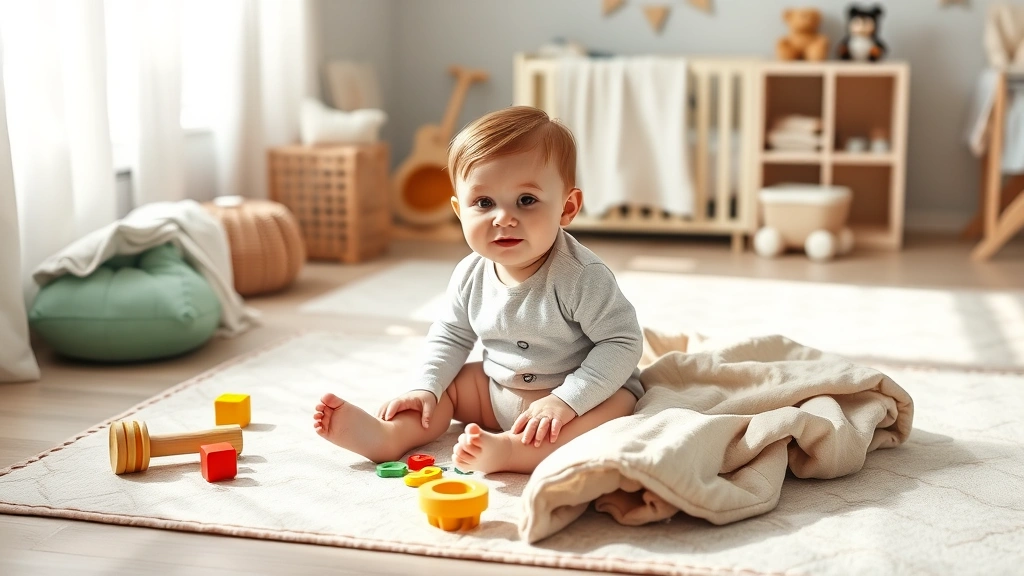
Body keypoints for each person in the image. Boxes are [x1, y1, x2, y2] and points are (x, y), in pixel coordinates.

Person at [313, 106, 643, 474]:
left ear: (567, 208)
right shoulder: (470, 273)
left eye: (527, 200)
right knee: (447, 390)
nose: (503, 217)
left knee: (615, 407)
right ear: (459, 210)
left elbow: (622, 342)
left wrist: (566, 400)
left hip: (576, 394)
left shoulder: (581, 276)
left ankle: (513, 453)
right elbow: (451, 334)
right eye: (484, 203)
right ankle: (391, 435)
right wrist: (427, 386)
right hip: (497, 390)